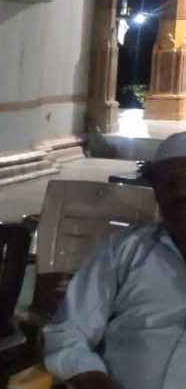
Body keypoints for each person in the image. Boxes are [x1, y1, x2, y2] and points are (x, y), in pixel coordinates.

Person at [43, 131, 186, 389]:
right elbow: (67, 333)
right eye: (168, 182)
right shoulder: (125, 250)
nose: (181, 191)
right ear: (156, 192)